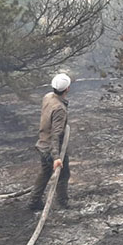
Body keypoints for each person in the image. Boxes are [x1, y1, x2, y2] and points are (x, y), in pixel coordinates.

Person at [29, 73, 71, 211]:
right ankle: (63, 203)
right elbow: (55, 134)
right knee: (63, 175)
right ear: (67, 89)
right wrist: (57, 157)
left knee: (45, 172)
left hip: (42, 143)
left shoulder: (48, 97)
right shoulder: (59, 108)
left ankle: (34, 201)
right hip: (51, 148)